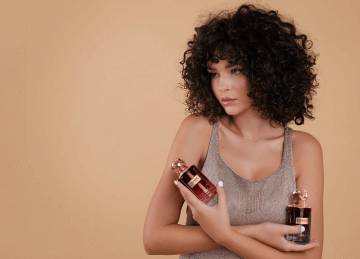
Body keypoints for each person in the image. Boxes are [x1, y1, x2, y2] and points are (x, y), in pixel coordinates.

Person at [143, 4, 324, 258]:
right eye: (214, 73)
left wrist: (226, 234)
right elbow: (155, 239)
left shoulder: (304, 149)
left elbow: (308, 258)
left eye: (235, 70)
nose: (222, 86)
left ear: (268, 70)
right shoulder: (199, 131)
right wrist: (256, 231)